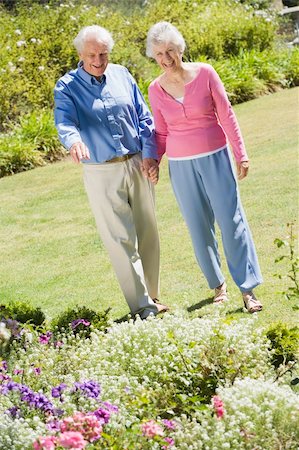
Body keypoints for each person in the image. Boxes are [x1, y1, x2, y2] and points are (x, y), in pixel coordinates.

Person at [146, 21, 263, 313]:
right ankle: (217, 285)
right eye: (159, 53)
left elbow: (227, 114)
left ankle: (247, 289)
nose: (166, 58)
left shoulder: (206, 73)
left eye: (170, 50)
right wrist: (154, 160)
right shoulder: (155, 89)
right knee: (199, 228)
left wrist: (241, 153)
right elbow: (160, 132)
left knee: (231, 221)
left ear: (180, 49)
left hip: (215, 156)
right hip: (181, 166)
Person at [54, 25, 169, 319]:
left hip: (137, 163)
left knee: (149, 232)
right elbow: (65, 121)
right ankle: (142, 307)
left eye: (103, 53)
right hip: (101, 171)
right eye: (92, 54)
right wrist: (74, 140)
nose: (98, 59)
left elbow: (144, 118)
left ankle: (152, 296)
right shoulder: (66, 86)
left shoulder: (121, 74)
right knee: (120, 240)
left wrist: (151, 156)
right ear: (80, 54)